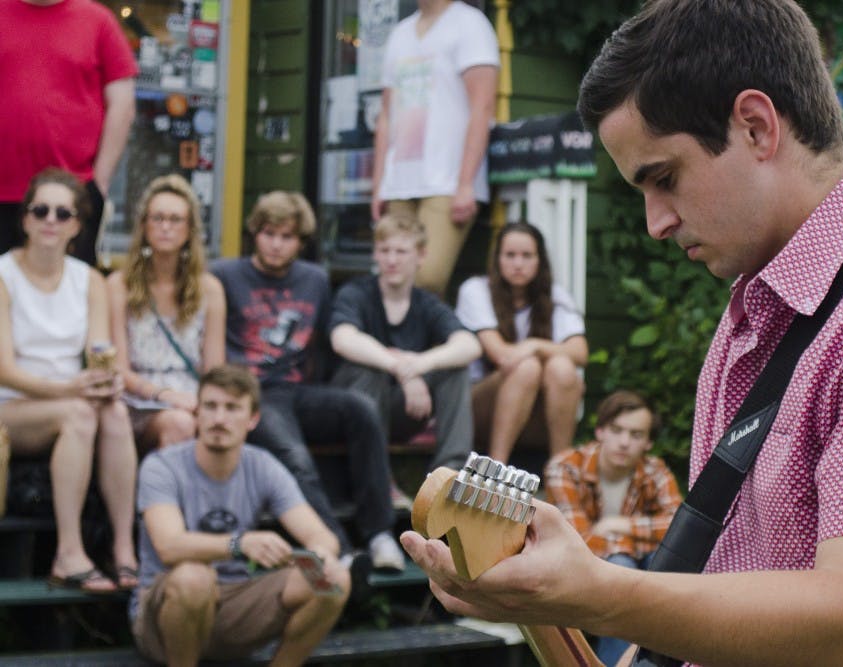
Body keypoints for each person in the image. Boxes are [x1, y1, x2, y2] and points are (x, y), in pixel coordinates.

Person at [401, 1, 843, 665]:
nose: (656, 221)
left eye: (664, 178)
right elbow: (725, 568)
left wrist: (593, 591)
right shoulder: (760, 294)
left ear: (754, 126)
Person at [212, 191, 405, 572]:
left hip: (299, 390)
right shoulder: (224, 275)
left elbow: (320, 345)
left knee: (361, 410)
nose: (276, 243)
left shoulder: (315, 279)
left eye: (286, 236)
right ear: (255, 233)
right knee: (295, 455)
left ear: (300, 242)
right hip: (251, 394)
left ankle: (380, 533)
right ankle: (342, 551)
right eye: (268, 233)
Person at [131, 364, 351, 666]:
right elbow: (169, 546)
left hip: (236, 606)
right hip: (164, 614)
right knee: (195, 577)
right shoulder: (162, 466)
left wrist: (320, 554)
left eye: (232, 408)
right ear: (197, 413)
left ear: (253, 419)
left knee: (334, 580)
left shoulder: (262, 465)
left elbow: (321, 535)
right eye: (210, 406)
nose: (219, 418)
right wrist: (240, 544)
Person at [0, 168, 138, 592]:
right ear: (24, 219)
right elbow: (4, 370)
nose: (50, 220)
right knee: (80, 414)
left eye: (63, 213)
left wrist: (104, 382)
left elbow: (100, 353)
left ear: (77, 225)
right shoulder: (3, 275)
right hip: (13, 407)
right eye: (40, 210)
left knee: (114, 413)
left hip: (71, 402)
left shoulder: (89, 279)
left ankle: (123, 548)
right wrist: (72, 390)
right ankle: (69, 552)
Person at [330, 212, 481, 473]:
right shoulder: (355, 293)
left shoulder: (427, 304)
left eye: (401, 251)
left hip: (402, 411)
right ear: (375, 254)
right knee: (368, 370)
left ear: (421, 256)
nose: (391, 260)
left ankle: (450, 474)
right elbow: (342, 338)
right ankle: (375, 474)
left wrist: (419, 365)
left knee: (453, 370)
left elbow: (469, 345)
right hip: (351, 411)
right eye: (384, 250)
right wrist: (399, 367)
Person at [371, 0, 499, 296]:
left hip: (448, 181)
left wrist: (466, 183)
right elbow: (386, 117)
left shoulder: (470, 25)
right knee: (393, 280)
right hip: (399, 182)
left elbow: (483, 107)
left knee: (427, 280)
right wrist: (379, 185)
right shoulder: (400, 33)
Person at [545, 389, 682, 665]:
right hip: (578, 571)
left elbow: (680, 529)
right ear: (600, 431)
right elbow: (578, 541)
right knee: (621, 563)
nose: (624, 442)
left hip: (639, 569)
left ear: (648, 443)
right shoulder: (566, 467)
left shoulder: (655, 471)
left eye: (636, 435)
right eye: (617, 430)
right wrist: (631, 545)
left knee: (671, 563)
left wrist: (621, 525)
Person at [0, 0, 137, 265]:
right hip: (2, 191)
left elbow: (123, 104)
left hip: (69, 201)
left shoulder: (99, 22)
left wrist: (101, 181)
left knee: (69, 296)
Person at [107, 175, 226, 453]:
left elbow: (215, 369)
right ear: (144, 225)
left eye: (175, 220)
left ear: (189, 229)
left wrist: (207, 405)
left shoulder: (209, 289)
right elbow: (118, 368)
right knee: (180, 424)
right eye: (157, 218)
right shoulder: (119, 284)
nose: (165, 227)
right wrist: (164, 395)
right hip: (138, 400)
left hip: (192, 397)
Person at [455, 222, 588, 463]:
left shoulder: (555, 296)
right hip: (479, 410)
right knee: (527, 367)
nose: (518, 264)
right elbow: (502, 356)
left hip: (537, 416)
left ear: (540, 261)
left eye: (527, 256)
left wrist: (535, 345)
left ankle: (560, 470)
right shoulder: (475, 290)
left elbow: (580, 351)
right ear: (497, 259)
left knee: (562, 367)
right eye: (510, 255)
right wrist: (534, 351)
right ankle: (495, 470)